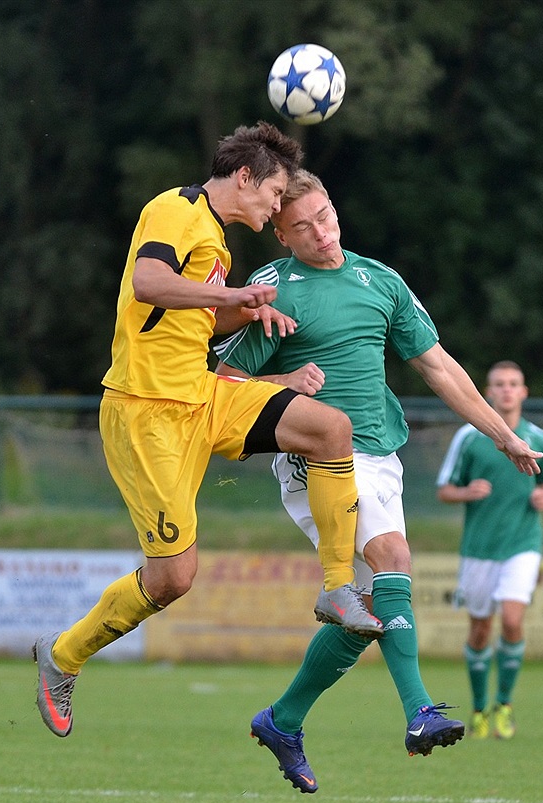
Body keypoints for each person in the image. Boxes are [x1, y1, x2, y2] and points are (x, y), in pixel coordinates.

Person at [32, 123, 385, 740]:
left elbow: (186, 311)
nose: (278, 207)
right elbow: (150, 283)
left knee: (330, 429)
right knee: (173, 578)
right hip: (145, 411)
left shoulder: (216, 239)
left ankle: (336, 590)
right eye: (274, 194)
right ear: (245, 177)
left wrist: (244, 308)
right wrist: (238, 293)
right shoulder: (175, 208)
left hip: (201, 395)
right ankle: (62, 656)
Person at [213, 170, 543, 792]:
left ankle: (283, 720)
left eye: (326, 215)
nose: (321, 232)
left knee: (362, 616)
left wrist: (501, 435)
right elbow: (219, 386)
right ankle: (419, 711)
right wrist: (283, 385)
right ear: (280, 236)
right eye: (302, 226)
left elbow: (439, 367)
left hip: (379, 458)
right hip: (314, 457)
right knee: (394, 556)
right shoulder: (271, 289)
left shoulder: (381, 281)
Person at [436, 360, 543, 740]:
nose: (507, 390)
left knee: (512, 620)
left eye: (514, 384)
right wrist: (466, 493)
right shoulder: (469, 438)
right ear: (487, 392)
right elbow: (444, 489)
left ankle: (504, 705)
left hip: (523, 543)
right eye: (499, 384)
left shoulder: (538, 438)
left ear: (524, 392)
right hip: (479, 549)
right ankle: (478, 710)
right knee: (480, 629)